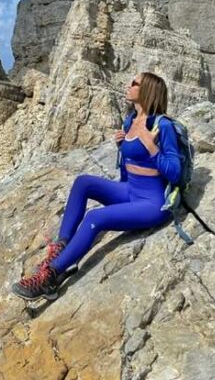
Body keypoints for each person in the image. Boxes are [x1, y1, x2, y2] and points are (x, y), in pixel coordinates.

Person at [11, 71, 182, 300]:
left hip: (152, 204)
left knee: (95, 218)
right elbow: (130, 167)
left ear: (148, 91)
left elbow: (175, 172)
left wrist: (151, 145)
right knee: (84, 183)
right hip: (131, 192)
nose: (128, 85)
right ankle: (61, 248)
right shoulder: (131, 120)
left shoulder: (161, 126)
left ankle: (50, 278)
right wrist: (122, 147)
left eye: (134, 83)